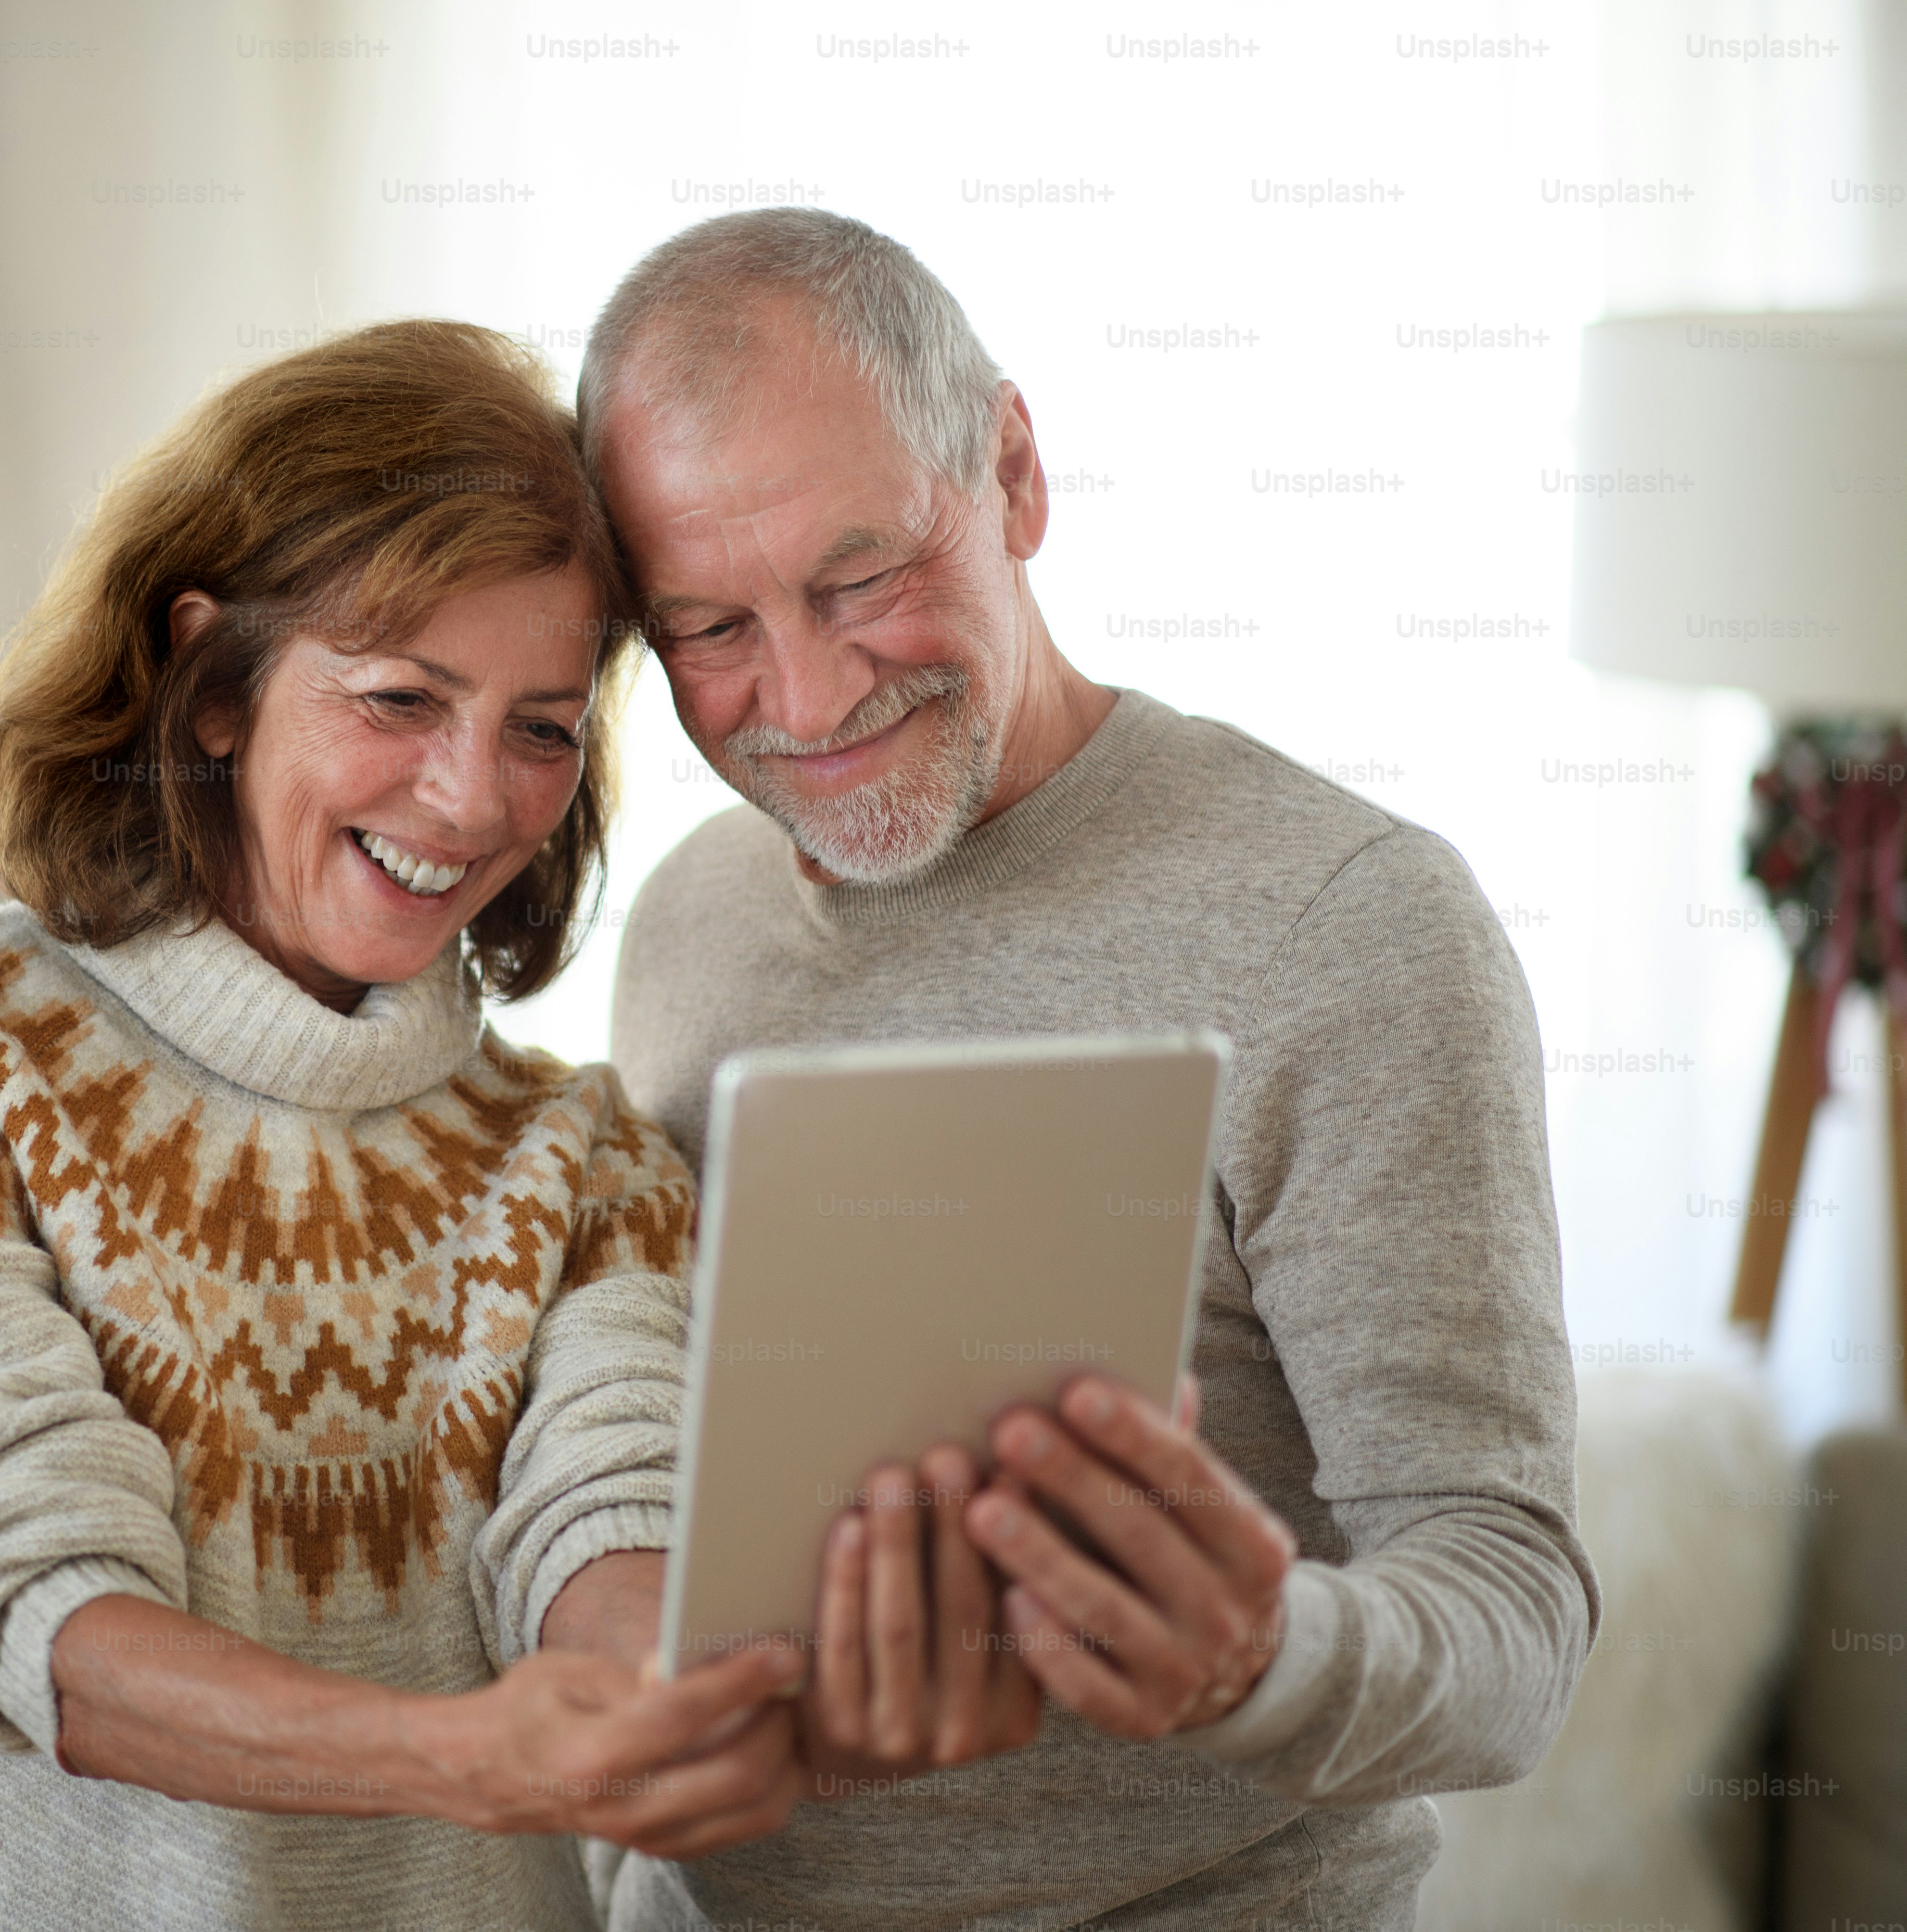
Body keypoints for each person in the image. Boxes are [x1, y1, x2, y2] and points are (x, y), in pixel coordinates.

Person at [0, 320, 802, 1930]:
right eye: (402, 697)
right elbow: (42, 1616)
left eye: (541, 727)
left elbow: (606, 1535)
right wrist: (456, 1757)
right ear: (213, 688)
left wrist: (709, 1696)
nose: (474, 798)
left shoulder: (585, 1161)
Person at [580, 209, 1599, 1929]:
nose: (808, 698)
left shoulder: (1351, 924)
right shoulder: (686, 923)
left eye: (861, 579)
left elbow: (1512, 1618)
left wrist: (1265, 1656)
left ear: (1015, 474)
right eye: (709, 629)